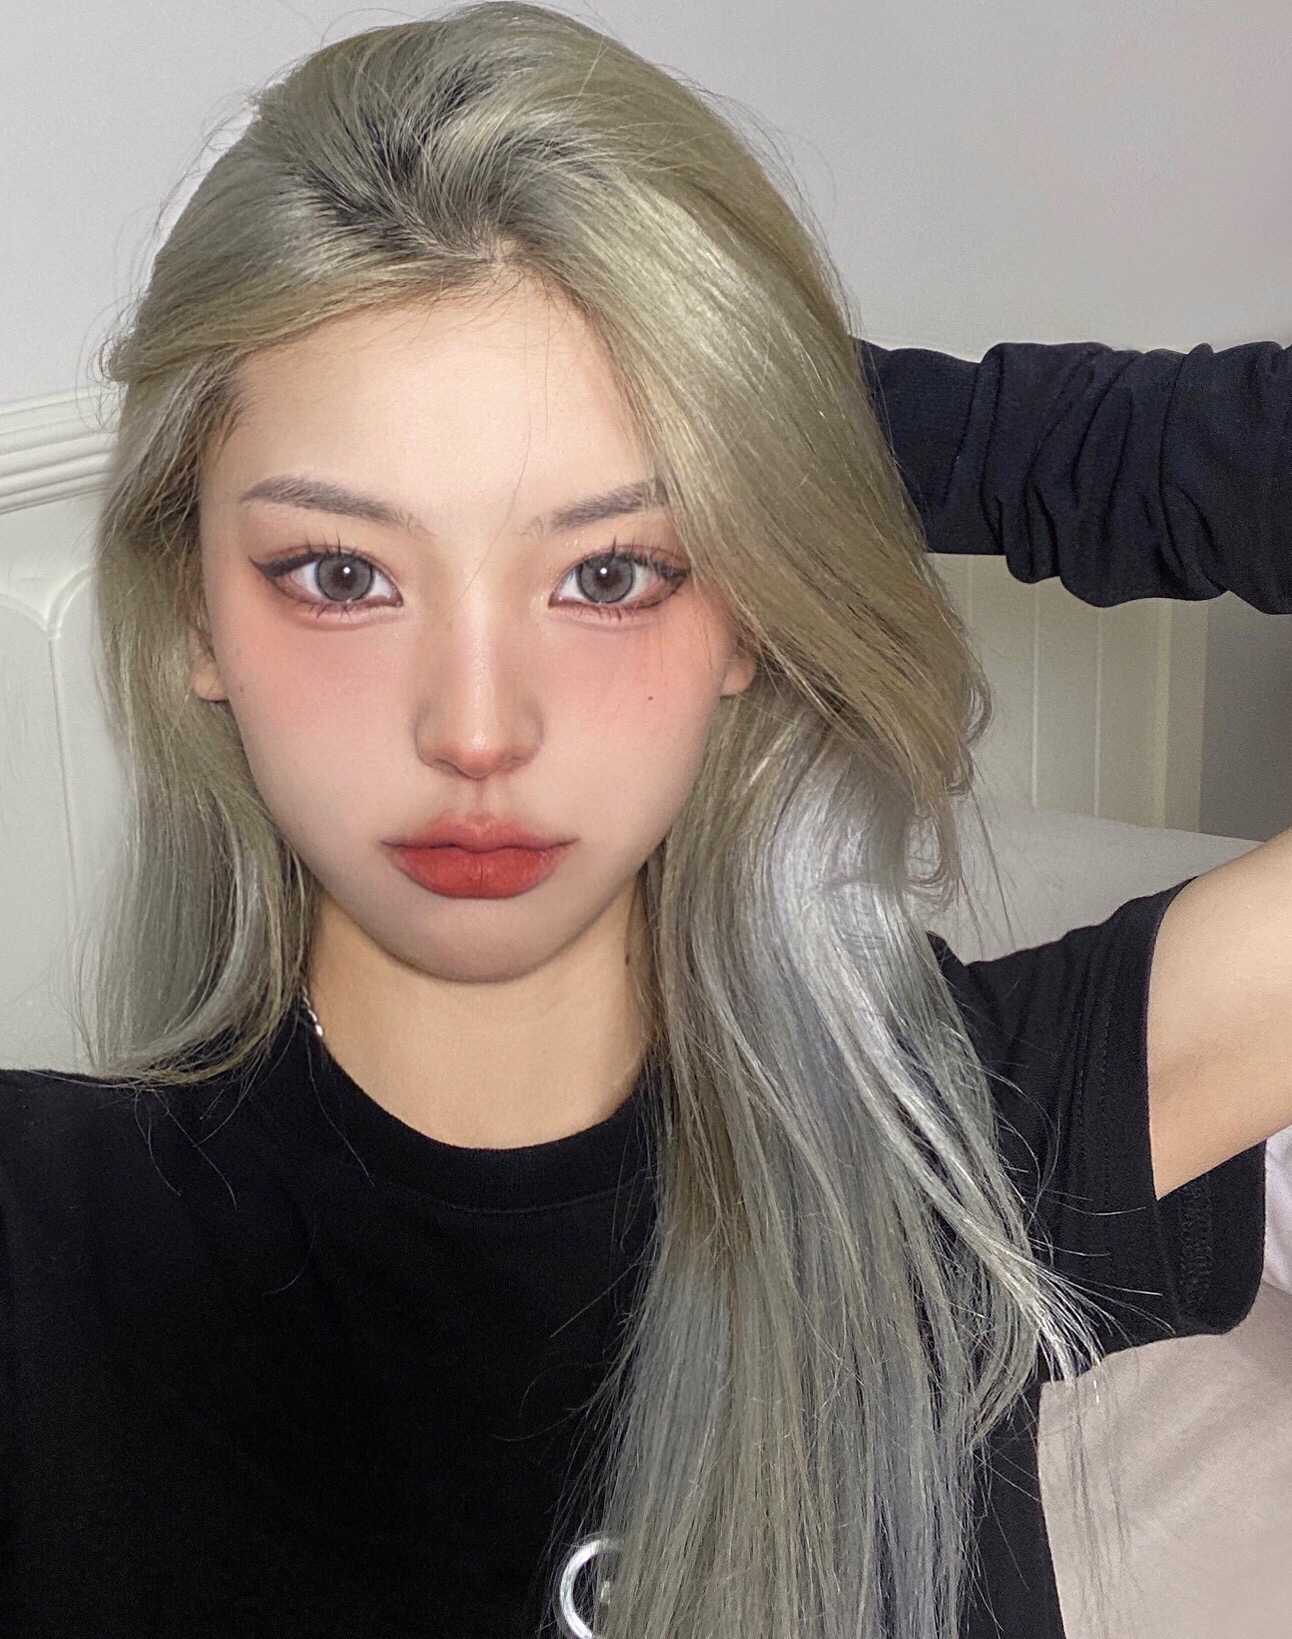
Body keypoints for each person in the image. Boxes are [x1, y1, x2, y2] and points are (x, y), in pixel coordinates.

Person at [0, 5, 1284, 1637]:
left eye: (611, 572)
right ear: (194, 610)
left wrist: (795, 421)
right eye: (341, 574)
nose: (478, 729)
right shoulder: (45, 1244)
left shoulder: (978, 1142)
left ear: (748, 605)